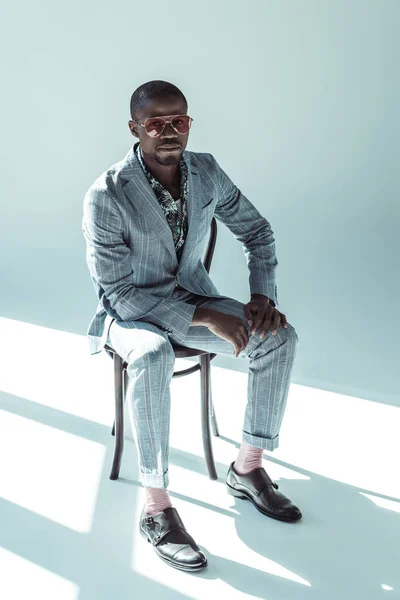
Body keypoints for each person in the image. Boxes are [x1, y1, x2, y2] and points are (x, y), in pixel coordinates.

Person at [82, 80, 301, 573]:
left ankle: (248, 467)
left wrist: (261, 298)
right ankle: (157, 508)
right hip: (128, 314)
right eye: (155, 123)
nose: (168, 131)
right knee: (155, 354)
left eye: (178, 120)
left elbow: (258, 231)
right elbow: (119, 293)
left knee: (278, 337)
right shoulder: (107, 194)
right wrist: (204, 316)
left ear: (188, 122)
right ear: (135, 128)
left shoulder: (205, 171)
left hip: (192, 293)